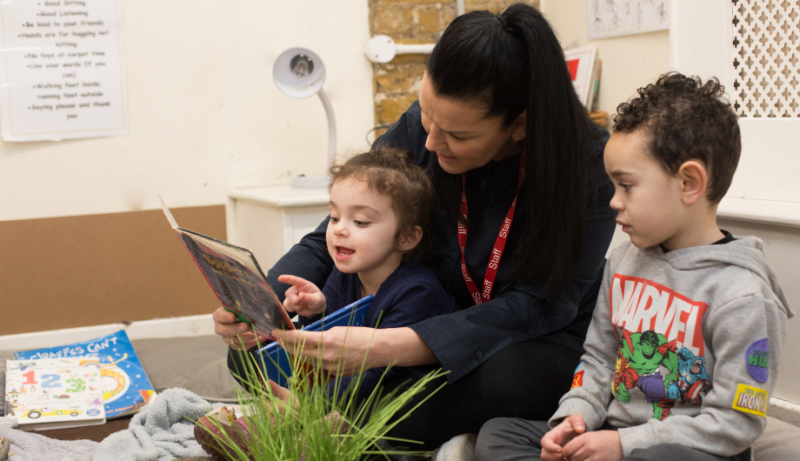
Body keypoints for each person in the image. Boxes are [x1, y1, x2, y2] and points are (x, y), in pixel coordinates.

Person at [216, 3, 616, 449]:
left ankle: (317, 422)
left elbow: (536, 307)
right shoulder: (428, 124)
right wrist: (262, 305)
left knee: (504, 379)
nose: (429, 141)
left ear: (520, 126)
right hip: (426, 313)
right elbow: (331, 230)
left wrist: (390, 346)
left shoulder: (587, 168)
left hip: (528, 341)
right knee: (252, 355)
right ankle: (346, 418)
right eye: (426, 114)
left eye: (457, 136)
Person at [474, 73, 794, 461]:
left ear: (689, 182)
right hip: (614, 434)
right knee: (498, 434)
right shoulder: (624, 261)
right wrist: (574, 418)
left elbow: (735, 425)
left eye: (626, 186)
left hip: (687, 450)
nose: (613, 201)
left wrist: (625, 445)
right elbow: (597, 359)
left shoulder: (744, 296)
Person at [274, 146, 456, 401]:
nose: (339, 230)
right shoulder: (345, 274)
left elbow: (379, 373)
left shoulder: (418, 292)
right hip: (354, 391)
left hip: (408, 401)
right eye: (334, 217)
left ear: (407, 237)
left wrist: (308, 404)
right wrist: (315, 312)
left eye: (360, 222)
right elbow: (327, 349)